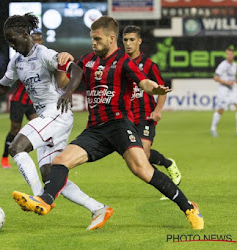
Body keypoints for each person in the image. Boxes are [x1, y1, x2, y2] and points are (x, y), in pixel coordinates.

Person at [12, 16, 204, 230]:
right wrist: (61, 65)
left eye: (97, 39)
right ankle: (45, 201)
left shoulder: (124, 61)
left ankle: (189, 207)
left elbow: (144, 83)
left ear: (112, 38)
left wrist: (154, 88)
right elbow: (63, 82)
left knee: (143, 170)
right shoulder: (87, 60)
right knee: (59, 161)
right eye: (92, 39)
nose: (93, 43)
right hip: (95, 129)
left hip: (119, 126)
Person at [0, 13, 113, 230]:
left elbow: (76, 70)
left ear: (25, 34)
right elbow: (3, 86)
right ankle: (98, 208)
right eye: (8, 42)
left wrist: (68, 92)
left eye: (13, 40)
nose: (12, 45)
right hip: (51, 117)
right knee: (49, 174)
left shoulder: (43, 53)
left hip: (56, 112)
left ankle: (39, 198)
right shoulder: (17, 61)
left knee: (16, 147)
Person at [122, 25, 181, 200]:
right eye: (125, 40)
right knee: (135, 158)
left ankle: (168, 170)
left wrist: (158, 110)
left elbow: (162, 90)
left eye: (132, 39)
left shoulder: (148, 65)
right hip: (126, 117)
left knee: (144, 155)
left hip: (145, 115)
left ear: (139, 41)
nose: (128, 43)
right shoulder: (121, 63)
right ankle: (167, 164)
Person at [1, 28, 43, 168]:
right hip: (19, 100)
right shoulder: (21, 57)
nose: (37, 41)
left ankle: (35, 155)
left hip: (33, 101)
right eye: (35, 39)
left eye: (39, 39)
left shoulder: (45, 57)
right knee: (14, 129)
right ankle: (5, 157)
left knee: (40, 126)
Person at [210, 45, 237, 137]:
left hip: (233, 89)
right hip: (224, 89)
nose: (229, 56)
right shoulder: (222, 65)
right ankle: (213, 129)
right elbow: (215, 78)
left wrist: (234, 81)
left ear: (233, 55)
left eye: (230, 54)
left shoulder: (234, 65)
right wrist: (226, 82)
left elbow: (233, 77)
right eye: (227, 54)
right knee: (221, 109)